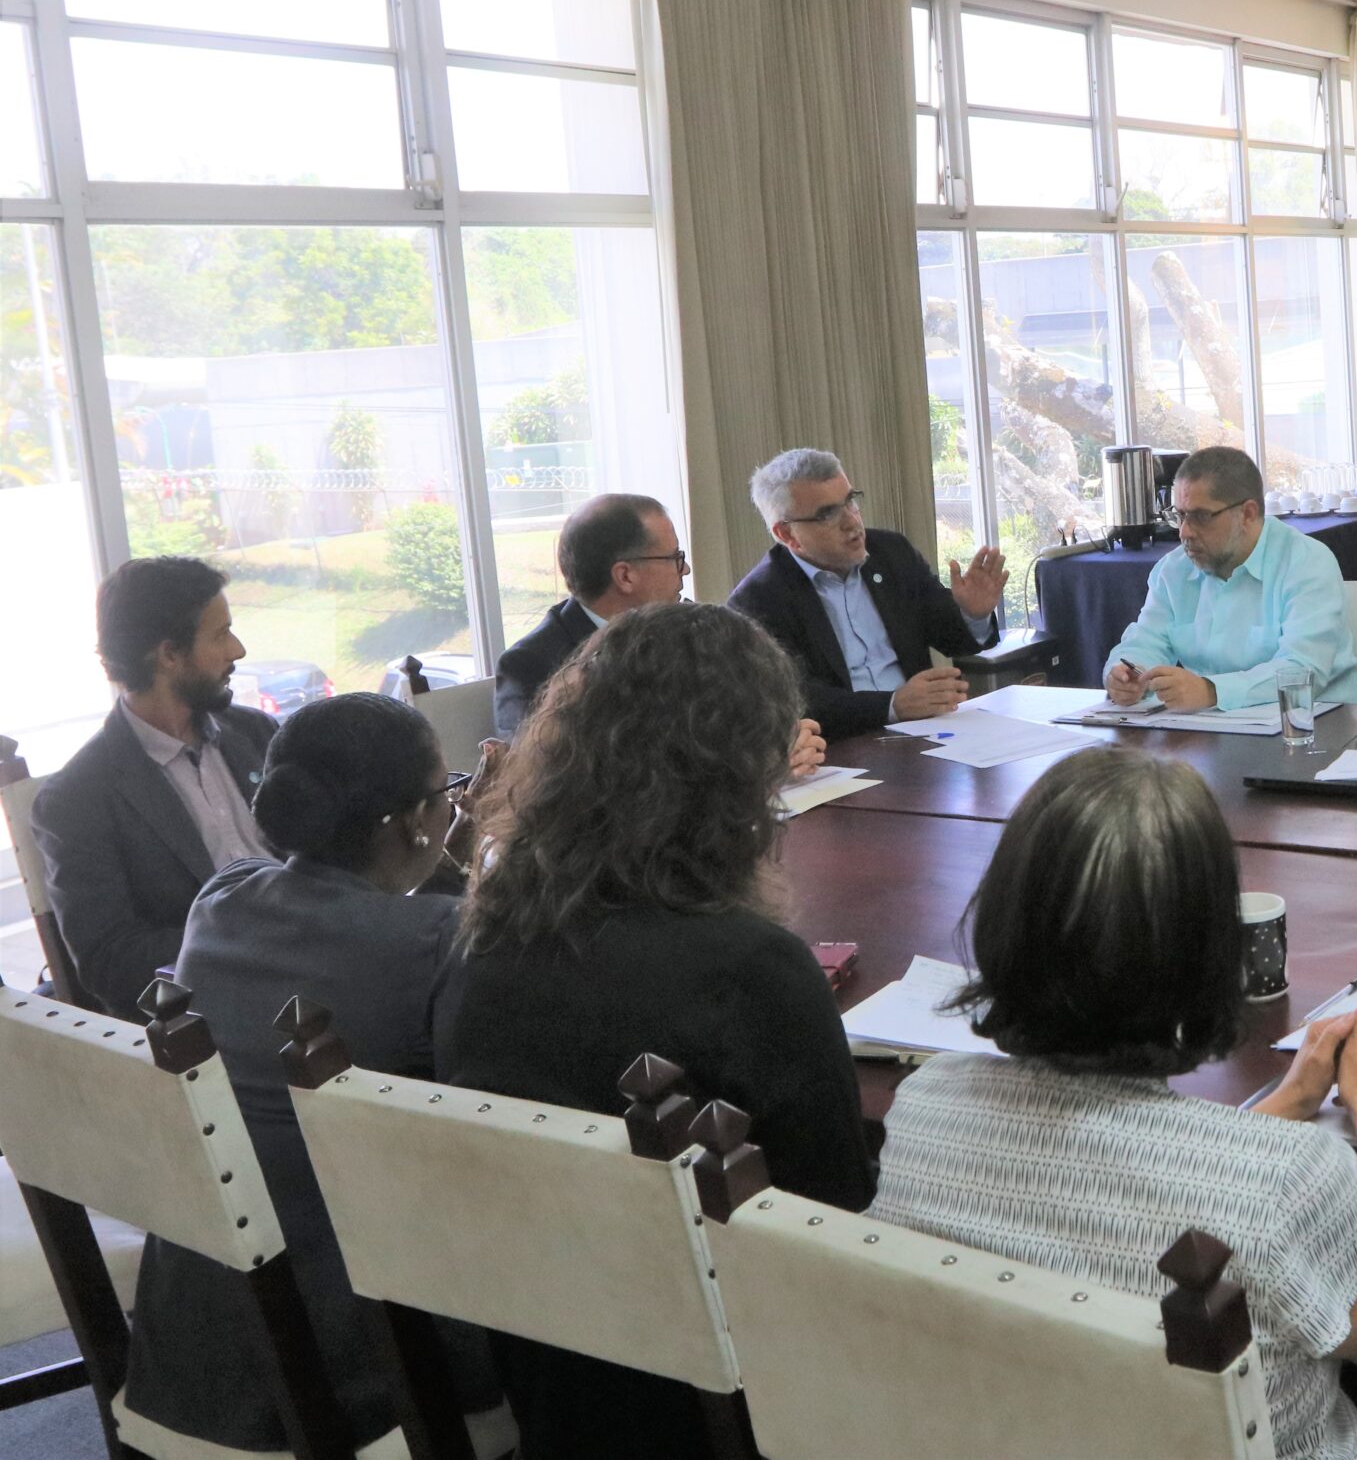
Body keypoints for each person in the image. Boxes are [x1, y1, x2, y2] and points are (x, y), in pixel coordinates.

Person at [868, 747, 1357, 1460]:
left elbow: (1146, 1195)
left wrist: (1292, 1099)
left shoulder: (923, 1106)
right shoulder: (1290, 1182)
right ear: (1207, 955)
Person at [440, 602, 873, 1459]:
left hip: (556, 1383)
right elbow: (838, 1221)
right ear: (744, 771)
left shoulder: (482, 942)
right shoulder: (751, 969)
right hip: (733, 1401)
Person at [120, 694, 499, 1451]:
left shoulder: (221, 900)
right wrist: (471, 850)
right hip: (363, 1371)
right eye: (445, 793)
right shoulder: (438, 947)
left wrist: (442, 839)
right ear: (419, 818)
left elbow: (371, 923)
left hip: (191, 1355)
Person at [32, 557, 278, 1018]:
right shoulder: (78, 799)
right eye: (220, 634)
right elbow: (111, 964)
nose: (238, 650)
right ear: (168, 655)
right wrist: (252, 931)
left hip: (321, 971)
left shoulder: (258, 734)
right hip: (217, 1017)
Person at [727, 447, 1006, 738]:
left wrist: (973, 613)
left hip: (927, 734)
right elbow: (795, 698)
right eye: (828, 514)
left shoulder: (891, 553)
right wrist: (892, 705)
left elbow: (949, 636)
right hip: (840, 751)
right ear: (786, 534)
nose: (852, 522)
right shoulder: (758, 600)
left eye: (849, 501)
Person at [1103, 446, 1357, 712]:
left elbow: (1303, 670)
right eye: (1178, 516)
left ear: (1247, 514)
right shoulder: (1173, 570)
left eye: (1200, 517)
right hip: (1208, 735)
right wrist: (1126, 675)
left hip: (1314, 730)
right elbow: (1145, 641)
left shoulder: (1306, 562)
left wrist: (1211, 690)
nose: (1185, 532)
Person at [492, 493, 689, 738]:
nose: (686, 570)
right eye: (675, 558)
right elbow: (536, 768)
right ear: (625, 576)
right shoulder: (528, 666)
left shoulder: (679, 635)